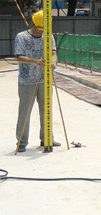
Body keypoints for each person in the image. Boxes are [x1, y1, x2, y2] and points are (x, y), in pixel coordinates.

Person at [14, 10, 60, 152]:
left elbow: (53, 53)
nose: (41, 32)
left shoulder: (49, 36)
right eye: (40, 29)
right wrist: (35, 61)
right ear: (33, 23)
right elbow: (19, 57)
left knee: (46, 110)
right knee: (25, 112)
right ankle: (21, 142)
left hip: (44, 80)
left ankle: (47, 138)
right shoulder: (21, 37)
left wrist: (53, 62)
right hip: (26, 81)